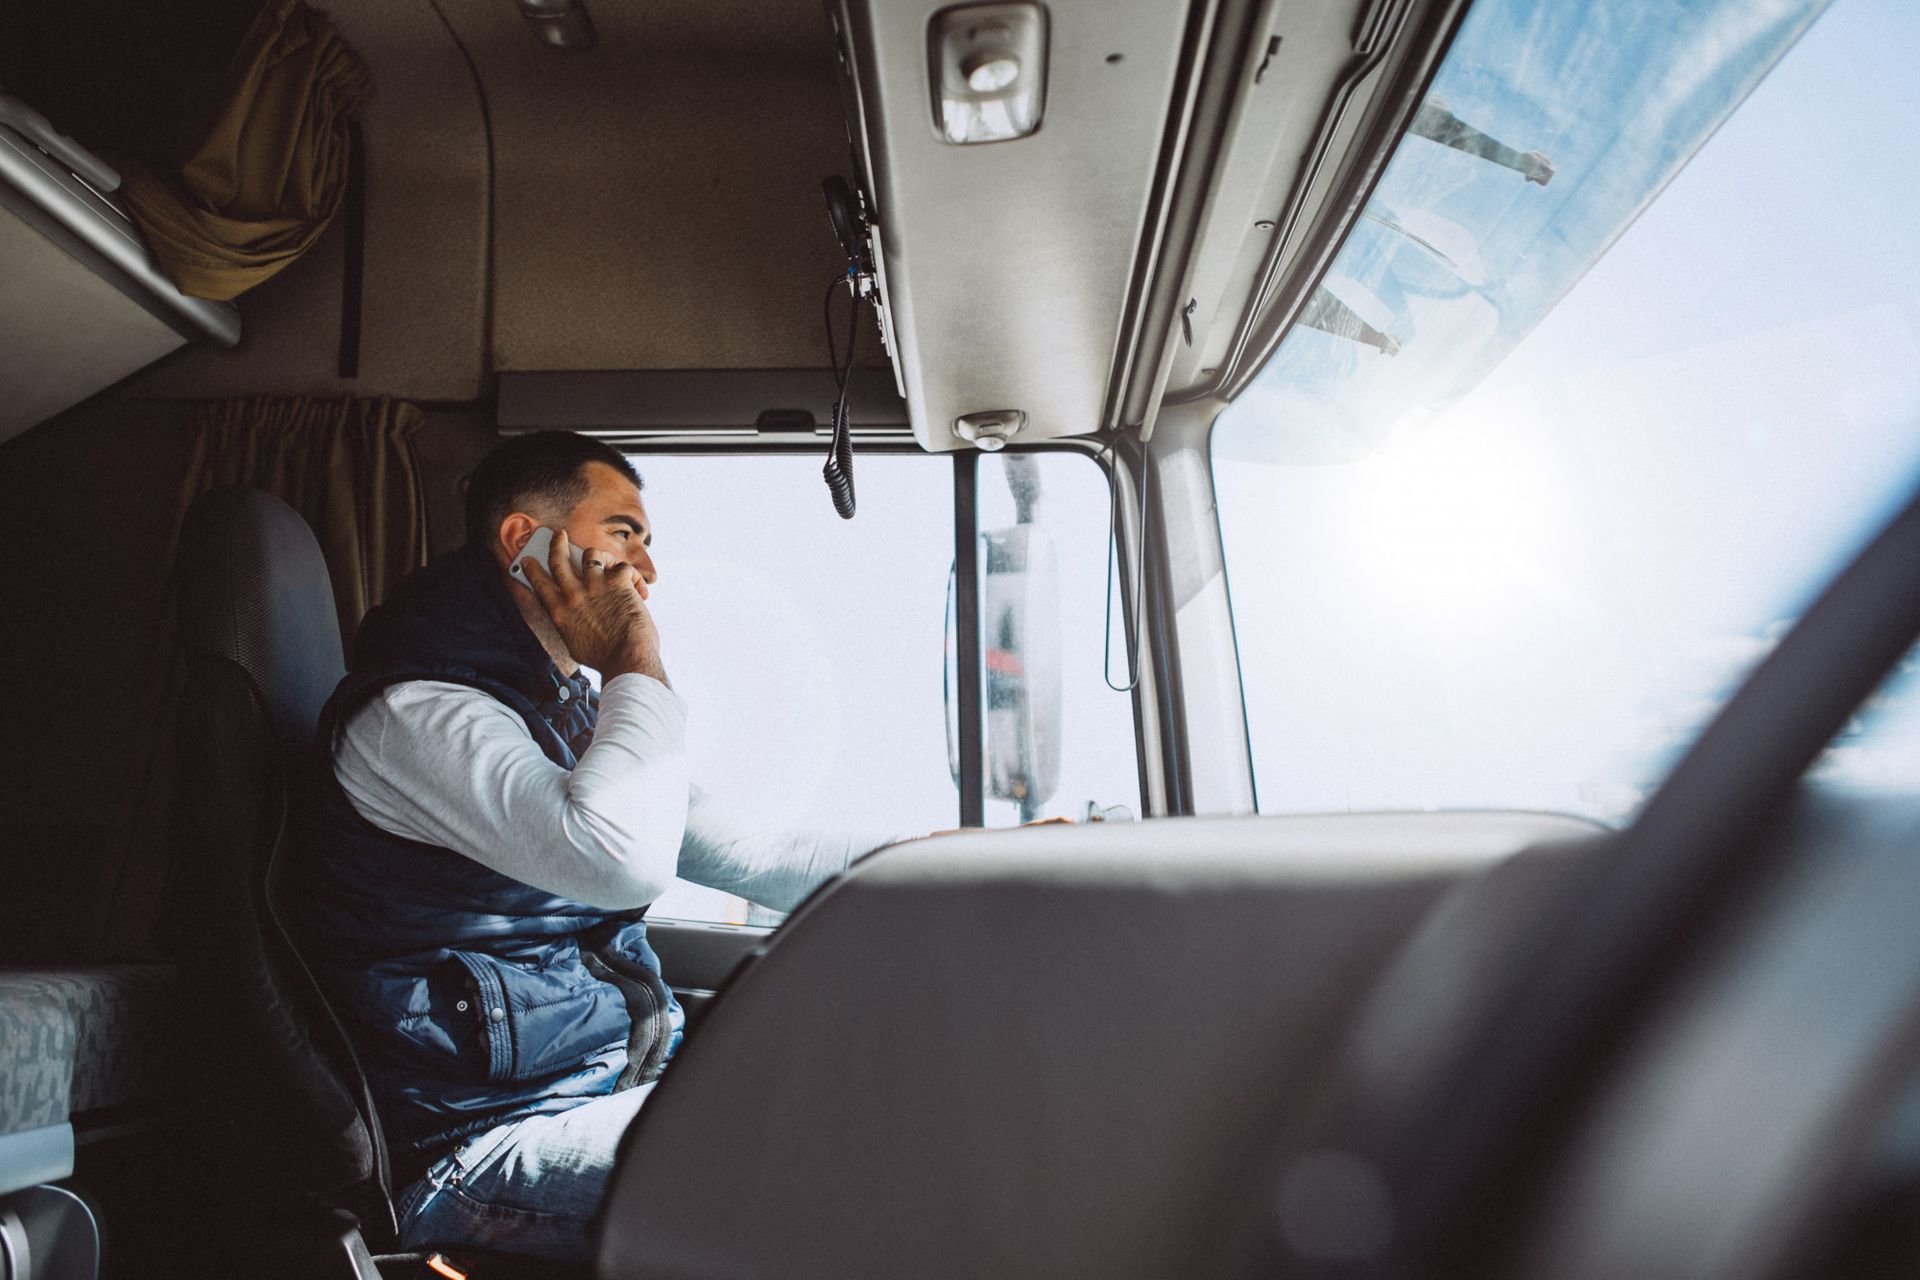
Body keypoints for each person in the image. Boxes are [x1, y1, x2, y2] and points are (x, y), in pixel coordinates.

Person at [287, 431, 905, 1261]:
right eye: (623, 534)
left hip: (609, 1091)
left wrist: (984, 866)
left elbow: (759, 856)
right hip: (477, 1147)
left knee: (896, 1107)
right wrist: (631, 660)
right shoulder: (417, 717)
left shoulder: (560, 721)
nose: (646, 570)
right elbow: (618, 862)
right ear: (523, 541)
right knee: (856, 1181)